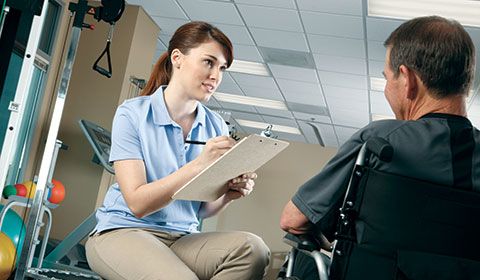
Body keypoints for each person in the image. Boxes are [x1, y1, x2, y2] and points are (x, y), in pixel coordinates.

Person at [280, 15, 480, 279]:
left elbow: (293, 220)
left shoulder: (379, 140)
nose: (387, 88)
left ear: (407, 80)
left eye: (388, 77)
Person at [85, 21, 270, 280]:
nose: (216, 75)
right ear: (177, 58)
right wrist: (198, 165)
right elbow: (138, 204)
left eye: (222, 68)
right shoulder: (133, 113)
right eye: (208, 62)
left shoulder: (216, 125)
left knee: (253, 250)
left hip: (182, 238)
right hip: (125, 231)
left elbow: (201, 209)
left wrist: (229, 194)